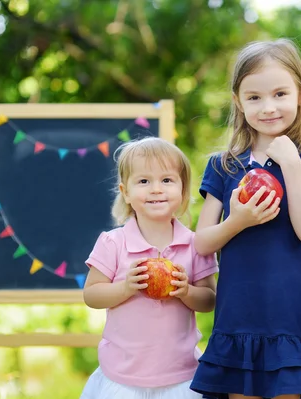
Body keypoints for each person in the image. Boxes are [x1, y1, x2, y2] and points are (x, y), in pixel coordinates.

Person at [189, 38, 301, 399]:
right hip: (237, 321)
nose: (268, 107)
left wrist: (289, 162)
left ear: (300, 95)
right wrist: (237, 220)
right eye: (254, 97)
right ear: (238, 102)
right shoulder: (224, 165)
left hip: (287, 322)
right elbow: (202, 242)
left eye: (279, 94)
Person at [80, 137, 218, 399]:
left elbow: (209, 299)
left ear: (183, 189)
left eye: (167, 180)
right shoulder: (113, 243)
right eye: (144, 181)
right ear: (126, 192)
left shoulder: (194, 243)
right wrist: (126, 287)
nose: (156, 189)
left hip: (180, 377)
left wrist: (184, 290)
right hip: (121, 379)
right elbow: (91, 295)